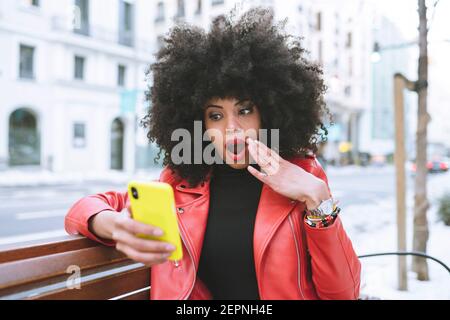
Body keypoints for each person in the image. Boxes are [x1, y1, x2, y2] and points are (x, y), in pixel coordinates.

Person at [65, 8, 361, 300]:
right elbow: (85, 208)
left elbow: (343, 294)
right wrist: (112, 224)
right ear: (200, 125)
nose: (232, 128)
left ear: (268, 114)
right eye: (215, 116)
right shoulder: (179, 183)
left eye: (244, 110)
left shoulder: (303, 177)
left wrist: (318, 198)